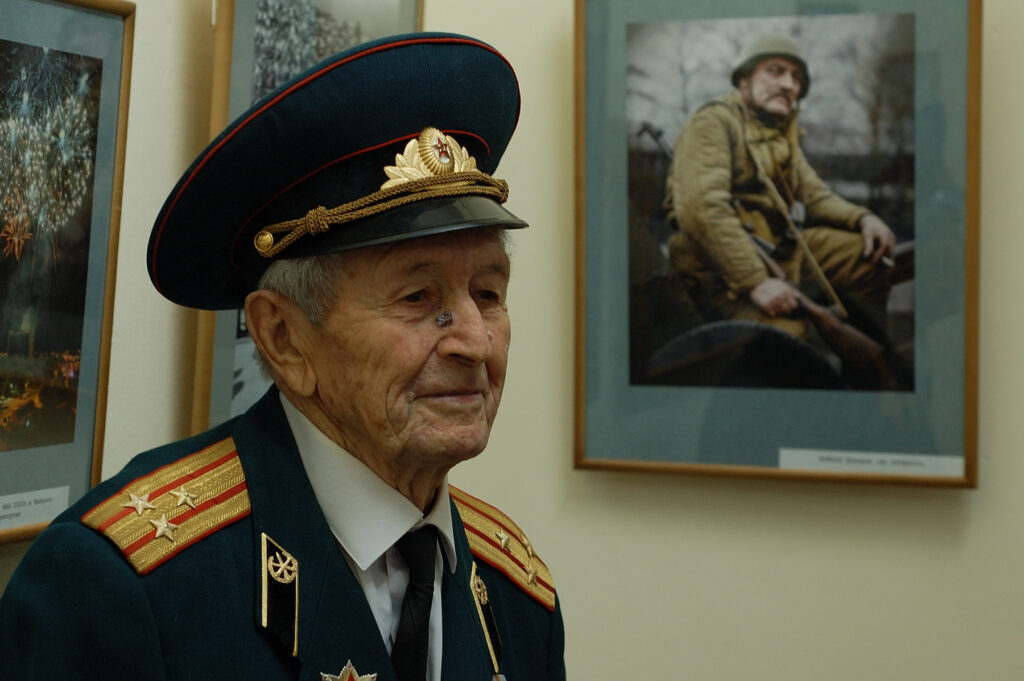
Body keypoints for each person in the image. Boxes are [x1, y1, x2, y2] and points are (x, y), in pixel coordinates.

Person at [0, 33, 565, 680]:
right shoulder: (121, 590)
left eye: (489, 293)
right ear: (284, 338)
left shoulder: (518, 593)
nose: (476, 341)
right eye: (418, 298)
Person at [664, 34, 896, 342]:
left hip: (777, 252)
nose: (788, 84)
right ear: (744, 79)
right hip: (717, 271)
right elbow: (703, 209)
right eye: (775, 71)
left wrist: (864, 218)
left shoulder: (778, 136)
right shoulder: (713, 122)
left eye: (796, 77)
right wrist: (755, 281)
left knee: (869, 260)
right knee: (789, 338)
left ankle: (868, 358)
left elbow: (815, 196)